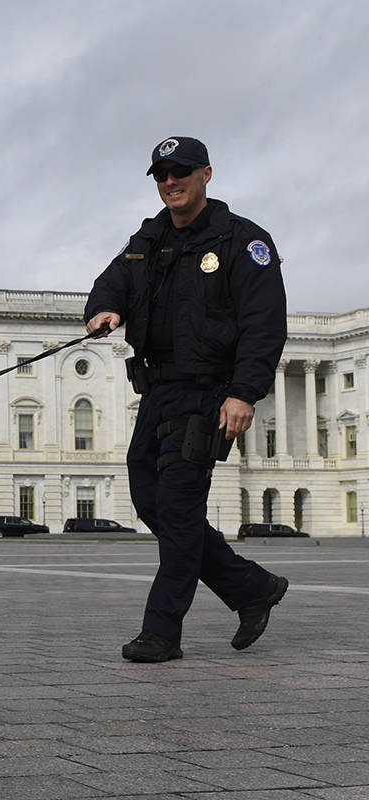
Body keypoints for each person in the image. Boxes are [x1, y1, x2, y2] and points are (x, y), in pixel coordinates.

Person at [85, 136, 289, 663]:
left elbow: (264, 326)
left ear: (206, 174)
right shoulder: (147, 240)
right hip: (157, 391)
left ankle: (161, 632)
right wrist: (106, 309)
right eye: (160, 175)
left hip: (208, 393)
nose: (169, 182)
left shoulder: (243, 241)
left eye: (180, 172)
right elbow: (111, 282)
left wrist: (245, 393)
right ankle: (250, 588)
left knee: (177, 506)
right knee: (151, 501)